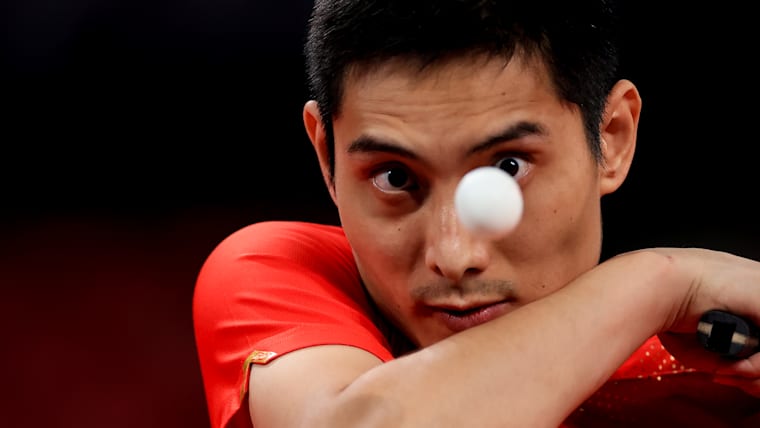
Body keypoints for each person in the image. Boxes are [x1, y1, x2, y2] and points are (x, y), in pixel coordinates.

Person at [192, 1, 760, 426]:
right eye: (395, 177)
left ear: (611, 138)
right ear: (326, 156)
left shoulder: (723, 376)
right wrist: (660, 282)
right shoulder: (281, 274)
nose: (454, 256)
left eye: (509, 167)